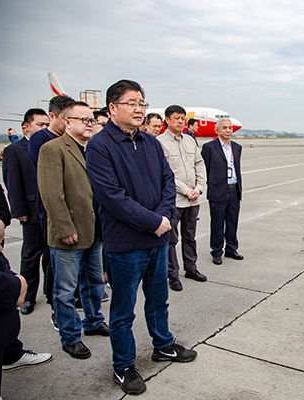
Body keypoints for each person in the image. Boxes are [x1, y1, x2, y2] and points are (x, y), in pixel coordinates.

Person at [85, 80, 196, 396]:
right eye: (131, 103)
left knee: (159, 298)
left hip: (158, 239)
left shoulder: (150, 143)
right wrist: (154, 222)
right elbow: (111, 196)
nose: (138, 109)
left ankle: (163, 345)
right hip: (126, 244)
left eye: (142, 103)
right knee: (123, 309)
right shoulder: (100, 146)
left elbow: (167, 182)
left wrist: (164, 217)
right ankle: (123, 365)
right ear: (112, 108)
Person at [38, 101, 109, 360]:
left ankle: (93, 321)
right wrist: (65, 228)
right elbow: (51, 194)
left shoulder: (94, 150)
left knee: (94, 282)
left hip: (94, 231)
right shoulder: (53, 149)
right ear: (67, 122)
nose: (90, 124)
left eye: (92, 120)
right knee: (65, 290)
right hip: (69, 233)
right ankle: (70, 337)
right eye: (84, 119)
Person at [0, 160, 51, 399]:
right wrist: (13, 287)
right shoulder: (16, 151)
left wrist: (2, 218)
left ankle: (10, 353)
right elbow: (14, 184)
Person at [28, 95, 76, 330]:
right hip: (53, 212)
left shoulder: (68, 139)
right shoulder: (42, 140)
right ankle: (55, 306)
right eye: (65, 118)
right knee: (53, 263)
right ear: (52, 116)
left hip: (74, 210)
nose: (68, 123)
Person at [2, 108, 50, 315]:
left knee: (50, 255)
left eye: (47, 124)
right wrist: (19, 209)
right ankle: (28, 296)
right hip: (30, 211)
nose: (45, 128)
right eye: (40, 124)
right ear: (26, 127)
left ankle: (50, 292)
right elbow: (12, 182)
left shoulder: (50, 146)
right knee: (31, 254)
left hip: (50, 210)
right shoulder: (15, 150)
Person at [157, 105, 207, 290]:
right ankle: (172, 275)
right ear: (167, 120)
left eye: (182, 118)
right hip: (174, 200)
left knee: (190, 236)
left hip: (193, 200)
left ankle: (191, 268)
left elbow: (199, 164)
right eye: (176, 118)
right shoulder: (160, 143)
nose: (180, 121)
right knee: (171, 240)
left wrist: (199, 188)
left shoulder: (189, 141)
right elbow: (165, 172)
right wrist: (186, 190)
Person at [201, 117, 244, 265]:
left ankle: (231, 249)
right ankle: (217, 251)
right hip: (218, 190)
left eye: (230, 128)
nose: (228, 130)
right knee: (217, 223)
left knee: (232, 222)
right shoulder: (209, 147)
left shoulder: (236, 147)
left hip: (233, 190)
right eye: (224, 128)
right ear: (217, 130)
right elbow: (205, 168)